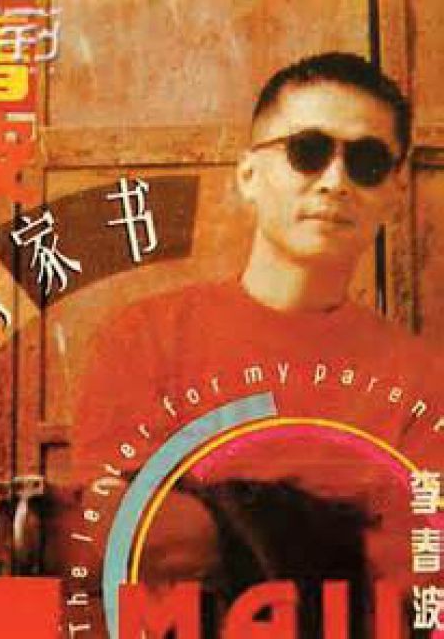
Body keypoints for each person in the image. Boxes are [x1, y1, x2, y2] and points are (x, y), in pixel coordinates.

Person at [60, 52, 444, 637]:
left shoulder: (423, 381)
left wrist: (219, 516)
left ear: (394, 192)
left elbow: (415, 582)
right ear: (249, 176)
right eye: (307, 151)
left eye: (366, 161)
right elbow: (128, 539)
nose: (335, 181)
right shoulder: (146, 338)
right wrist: (335, 531)